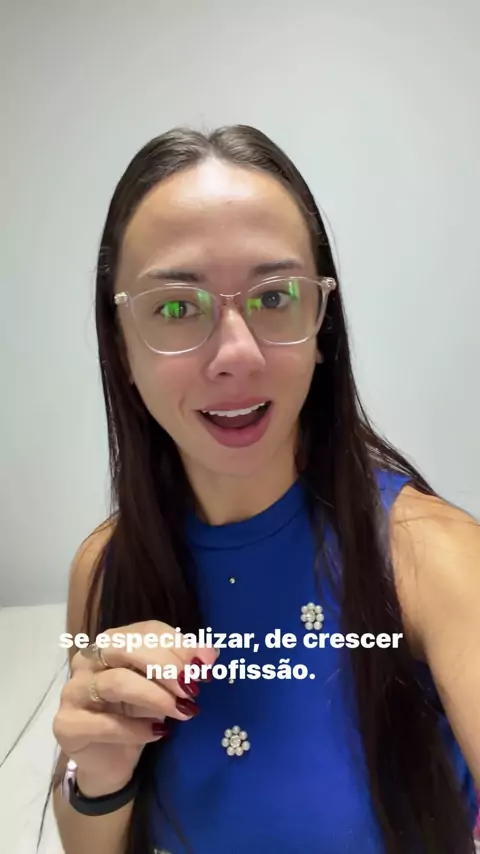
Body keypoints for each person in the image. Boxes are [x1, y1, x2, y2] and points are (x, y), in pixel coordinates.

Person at [50, 125, 480, 854]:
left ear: (322, 326)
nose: (237, 354)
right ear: (120, 345)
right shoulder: (106, 568)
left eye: (274, 296)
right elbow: (90, 840)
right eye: (176, 307)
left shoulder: (432, 554)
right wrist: (97, 773)